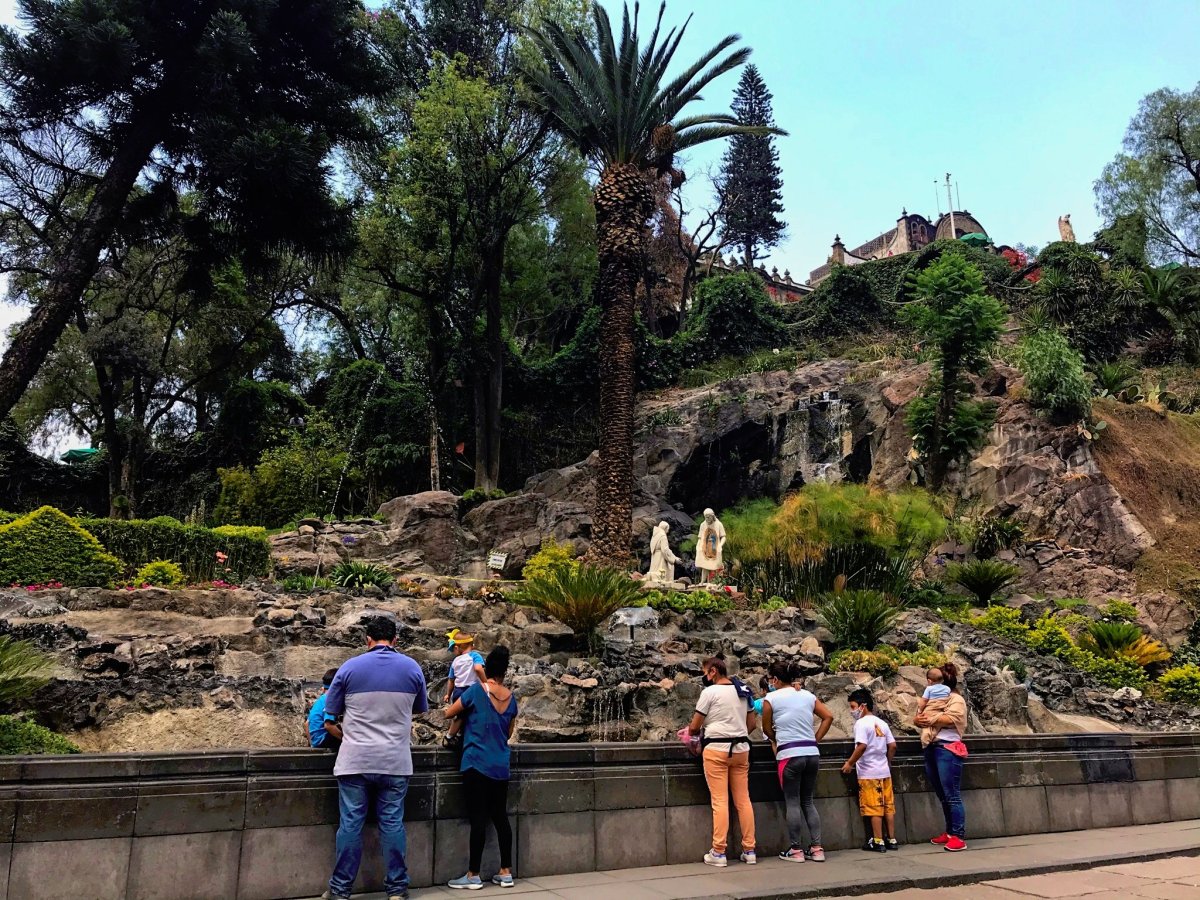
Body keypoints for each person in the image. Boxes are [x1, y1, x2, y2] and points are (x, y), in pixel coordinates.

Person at [321, 616, 428, 900]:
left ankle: (340, 890)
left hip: (355, 760)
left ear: (367, 640)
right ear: (395, 640)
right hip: (395, 761)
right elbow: (420, 709)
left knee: (351, 825)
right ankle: (396, 890)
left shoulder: (349, 668)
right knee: (392, 824)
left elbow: (330, 713)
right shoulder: (412, 668)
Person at [444, 646, 519, 890]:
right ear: (505, 671)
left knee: (478, 819)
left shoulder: (477, 691)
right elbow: (508, 732)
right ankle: (506, 871)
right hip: (500, 764)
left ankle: (473, 875)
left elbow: (449, 713)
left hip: (476, 762)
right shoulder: (510, 697)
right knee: (500, 817)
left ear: (486, 668)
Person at [761, 660, 834, 863]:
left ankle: (795, 850)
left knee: (792, 802)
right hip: (811, 753)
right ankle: (817, 849)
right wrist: (814, 739)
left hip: (789, 754)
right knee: (808, 801)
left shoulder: (771, 698)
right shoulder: (807, 695)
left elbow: (766, 729)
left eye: (770, 679)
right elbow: (828, 716)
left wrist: (776, 738)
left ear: (775, 679)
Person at [688, 655, 757, 868]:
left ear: (713, 672)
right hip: (741, 749)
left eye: (704, 672)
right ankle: (750, 850)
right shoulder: (743, 691)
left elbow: (694, 727)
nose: (704, 677)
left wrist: (692, 733)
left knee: (720, 801)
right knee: (743, 800)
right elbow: (751, 724)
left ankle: (719, 852)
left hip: (716, 749)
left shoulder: (709, 692)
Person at [914, 661, 969, 852]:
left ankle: (959, 836)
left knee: (952, 794)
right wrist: (918, 719)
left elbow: (951, 718)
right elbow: (920, 715)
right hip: (931, 746)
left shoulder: (956, 700)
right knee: (942, 794)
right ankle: (949, 832)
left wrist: (931, 718)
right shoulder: (933, 699)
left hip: (948, 749)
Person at [841, 688, 897, 853]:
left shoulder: (861, 723)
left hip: (868, 773)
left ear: (862, 706)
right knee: (888, 807)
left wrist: (850, 763)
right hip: (884, 771)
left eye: (853, 707)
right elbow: (892, 746)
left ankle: (878, 840)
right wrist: (887, 761)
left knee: (874, 808)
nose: (852, 711)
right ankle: (891, 839)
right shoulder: (882, 723)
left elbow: (862, 746)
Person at [444, 629, 486, 748]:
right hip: (472, 691)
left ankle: (452, 736)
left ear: (457, 648)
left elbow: (451, 680)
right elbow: (478, 669)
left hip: (458, 691)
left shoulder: (455, 661)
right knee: (474, 714)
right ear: (471, 645)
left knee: (459, 716)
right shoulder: (475, 656)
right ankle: (452, 737)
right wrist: (486, 683)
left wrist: (448, 694)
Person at [308, 667, 340, 751]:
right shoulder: (331, 697)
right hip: (323, 739)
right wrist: (346, 740)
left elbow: (306, 724)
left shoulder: (320, 699)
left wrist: (313, 745)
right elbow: (328, 726)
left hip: (317, 741)